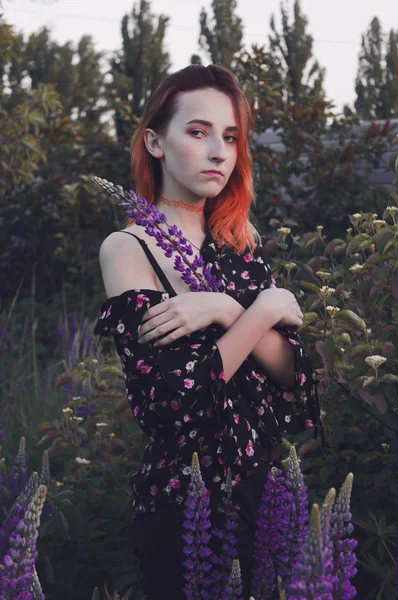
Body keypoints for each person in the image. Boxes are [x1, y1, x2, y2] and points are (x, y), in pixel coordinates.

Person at [93, 64, 323, 600]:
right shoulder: (128, 248)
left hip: (266, 499)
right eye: (198, 132)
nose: (220, 151)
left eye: (230, 137)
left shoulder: (240, 244)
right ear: (155, 141)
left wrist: (226, 308)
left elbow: (295, 377)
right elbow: (173, 403)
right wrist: (260, 311)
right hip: (186, 508)